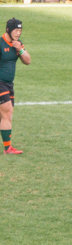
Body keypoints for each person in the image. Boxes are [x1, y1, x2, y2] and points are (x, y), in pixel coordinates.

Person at [0, 18, 30, 155]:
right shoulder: (0, 44)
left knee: (5, 115)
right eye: (16, 30)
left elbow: (28, 61)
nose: (18, 33)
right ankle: (8, 148)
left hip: (9, 84)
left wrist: (20, 50)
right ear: (8, 30)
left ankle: (7, 147)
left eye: (20, 30)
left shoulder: (18, 44)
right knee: (7, 112)